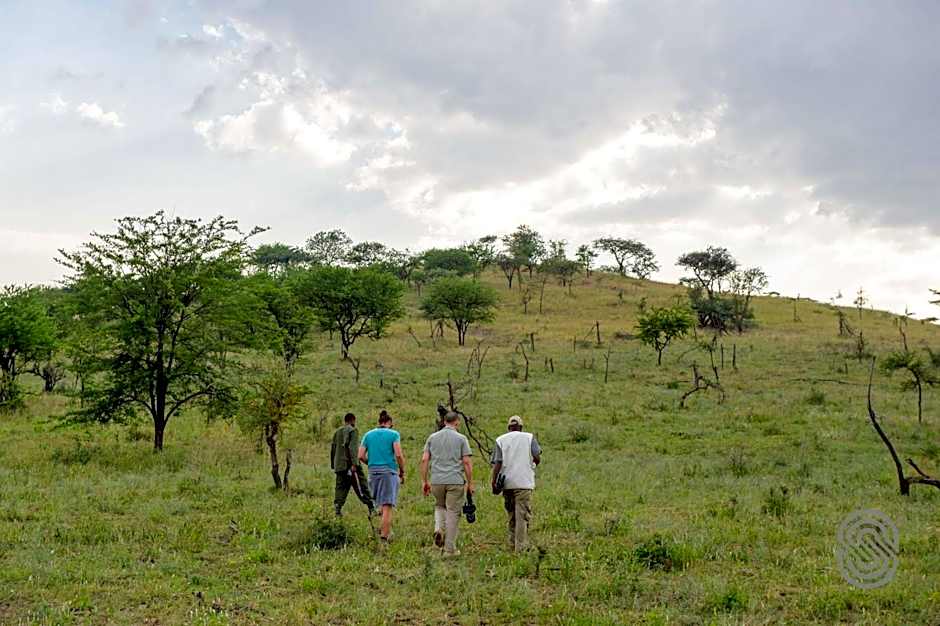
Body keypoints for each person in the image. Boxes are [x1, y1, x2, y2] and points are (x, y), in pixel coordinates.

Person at [420, 410, 473, 556]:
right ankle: (450, 549)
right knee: (453, 512)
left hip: (436, 480)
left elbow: (424, 459)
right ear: (457, 422)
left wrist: (424, 481)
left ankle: (439, 529)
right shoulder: (461, 439)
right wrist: (470, 482)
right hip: (455, 480)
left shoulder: (432, 437)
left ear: (444, 422)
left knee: (440, 506)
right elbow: (467, 462)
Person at [490, 415, 541, 553]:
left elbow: (497, 463)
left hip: (507, 483)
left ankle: (512, 543)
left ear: (508, 428)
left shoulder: (500, 440)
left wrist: (493, 482)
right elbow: (537, 456)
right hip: (524, 483)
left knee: (512, 514)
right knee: (522, 516)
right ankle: (521, 547)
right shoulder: (529, 438)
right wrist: (533, 463)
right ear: (521, 427)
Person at [359, 410, 405, 543]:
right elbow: (398, 454)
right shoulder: (394, 434)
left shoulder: (368, 435)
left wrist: (371, 463)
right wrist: (402, 470)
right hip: (388, 472)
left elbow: (360, 455)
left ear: (379, 423)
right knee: (387, 506)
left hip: (373, 472)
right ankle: (384, 538)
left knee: (378, 503)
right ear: (389, 423)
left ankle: (379, 529)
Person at [330, 412, 374, 518]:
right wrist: (354, 464)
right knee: (362, 486)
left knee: (340, 488)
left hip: (339, 465)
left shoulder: (337, 432)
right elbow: (353, 448)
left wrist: (333, 464)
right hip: (350, 465)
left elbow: (333, 449)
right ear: (353, 420)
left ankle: (337, 509)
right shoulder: (353, 431)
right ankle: (371, 507)